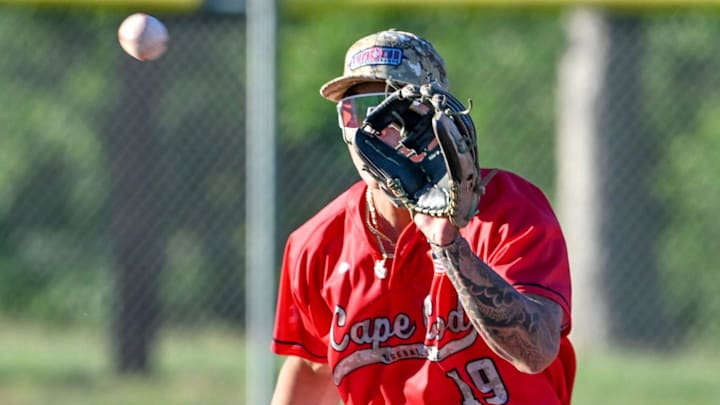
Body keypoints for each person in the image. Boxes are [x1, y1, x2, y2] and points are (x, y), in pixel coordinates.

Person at [270, 29, 575, 405]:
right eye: (354, 113)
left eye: (391, 112)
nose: (371, 134)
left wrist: (448, 244)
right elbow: (313, 366)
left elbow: (537, 351)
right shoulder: (317, 243)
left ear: (436, 118)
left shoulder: (508, 210)